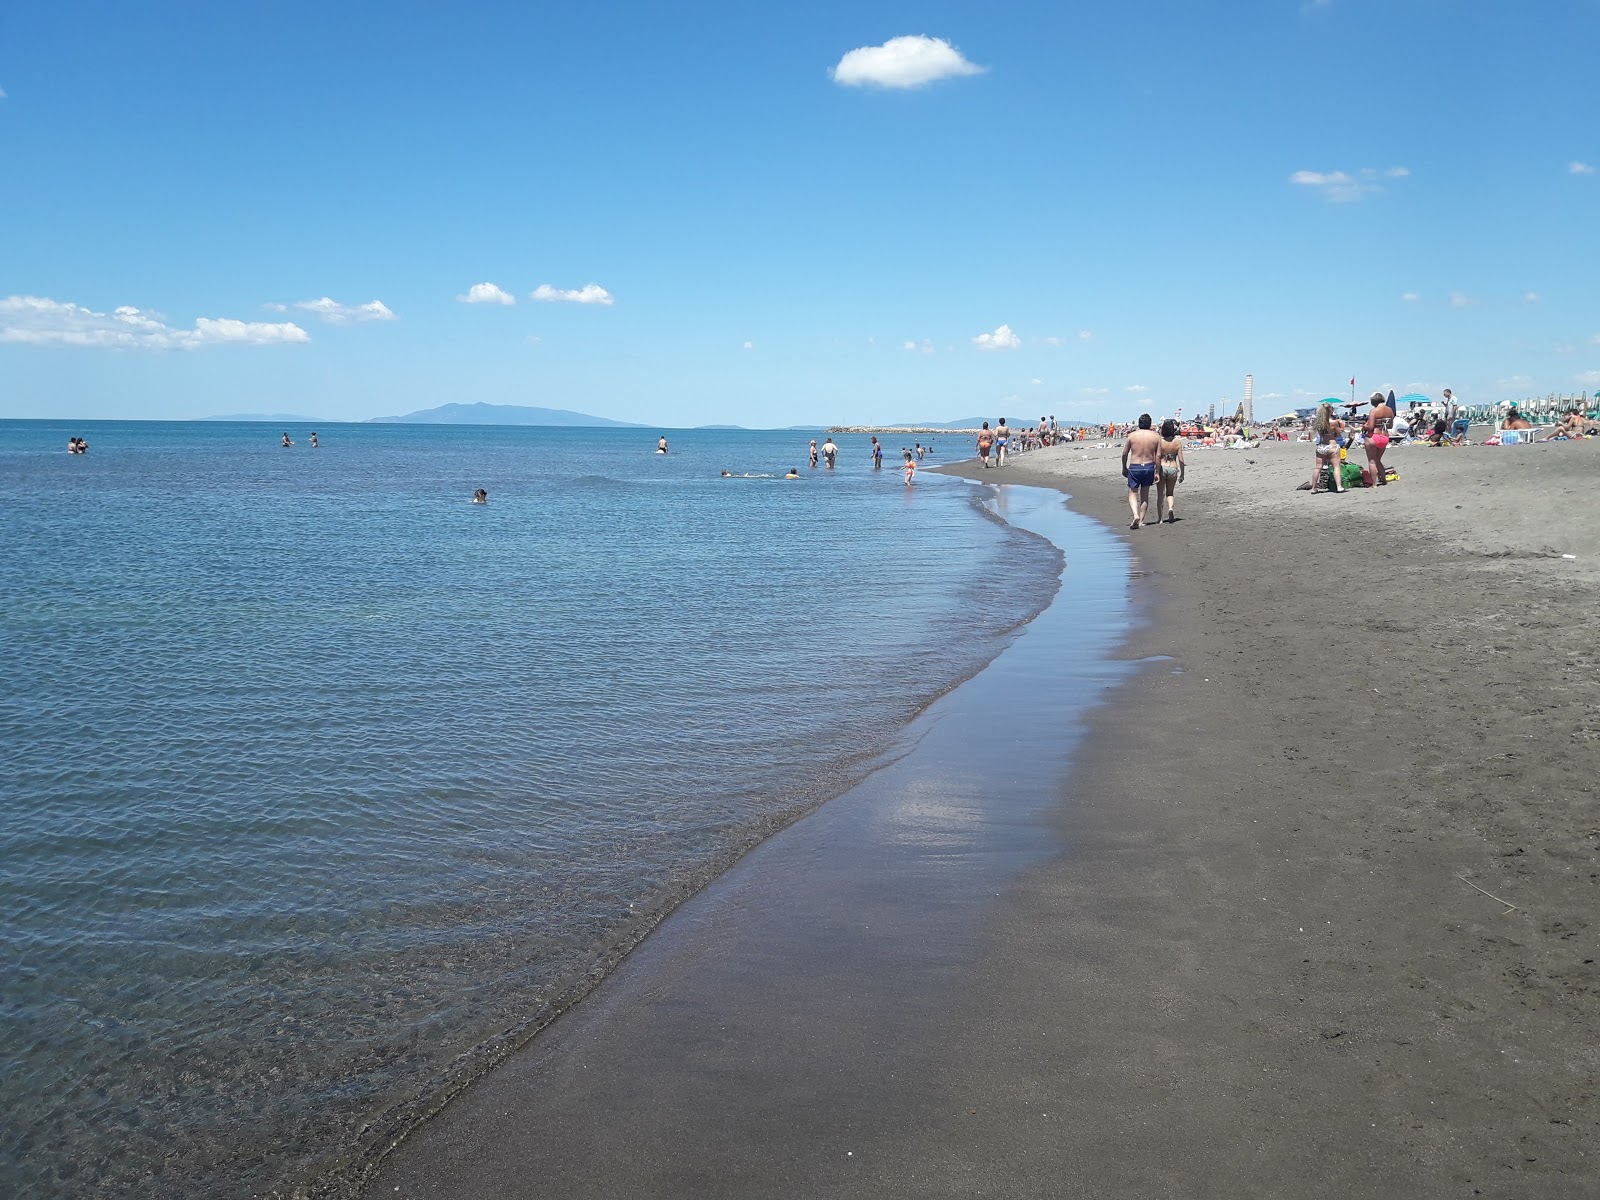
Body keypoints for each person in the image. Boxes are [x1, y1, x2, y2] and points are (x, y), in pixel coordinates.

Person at [1120, 413, 1161, 528]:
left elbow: (1124, 453)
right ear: (1150, 424)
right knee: (1145, 494)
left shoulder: (1132, 436)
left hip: (1135, 466)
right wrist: (1157, 471)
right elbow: (1158, 456)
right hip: (1149, 466)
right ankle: (1141, 521)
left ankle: (1135, 515)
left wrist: (1124, 466)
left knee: (1133, 493)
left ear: (1139, 423)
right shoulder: (1156, 436)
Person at [1155, 418, 1186, 522]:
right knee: (1170, 493)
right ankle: (1170, 508)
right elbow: (1181, 460)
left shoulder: (1159, 441)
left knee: (1160, 493)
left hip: (1162, 468)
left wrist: (1156, 471)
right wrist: (1182, 474)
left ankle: (1160, 519)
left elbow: (1157, 456)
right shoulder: (1177, 443)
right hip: (1173, 468)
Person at [1312, 404, 1346, 491]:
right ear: (1330, 411)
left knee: (1318, 467)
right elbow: (1338, 434)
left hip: (1322, 446)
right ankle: (1339, 486)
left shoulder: (1318, 423)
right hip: (1332, 446)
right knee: (1336, 466)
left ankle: (1314, 488)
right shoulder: (1333, 423)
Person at [1363, 391, 1393, 484]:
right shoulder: (1389, 410)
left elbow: (1370, 427)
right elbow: (1390, 425)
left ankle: (1374, 484)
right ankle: (1384, 480)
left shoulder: (1374, 411)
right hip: (1384, 436)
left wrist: (1364, 426)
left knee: (1372, 461)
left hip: (1374, 437)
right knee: (1377, 460)